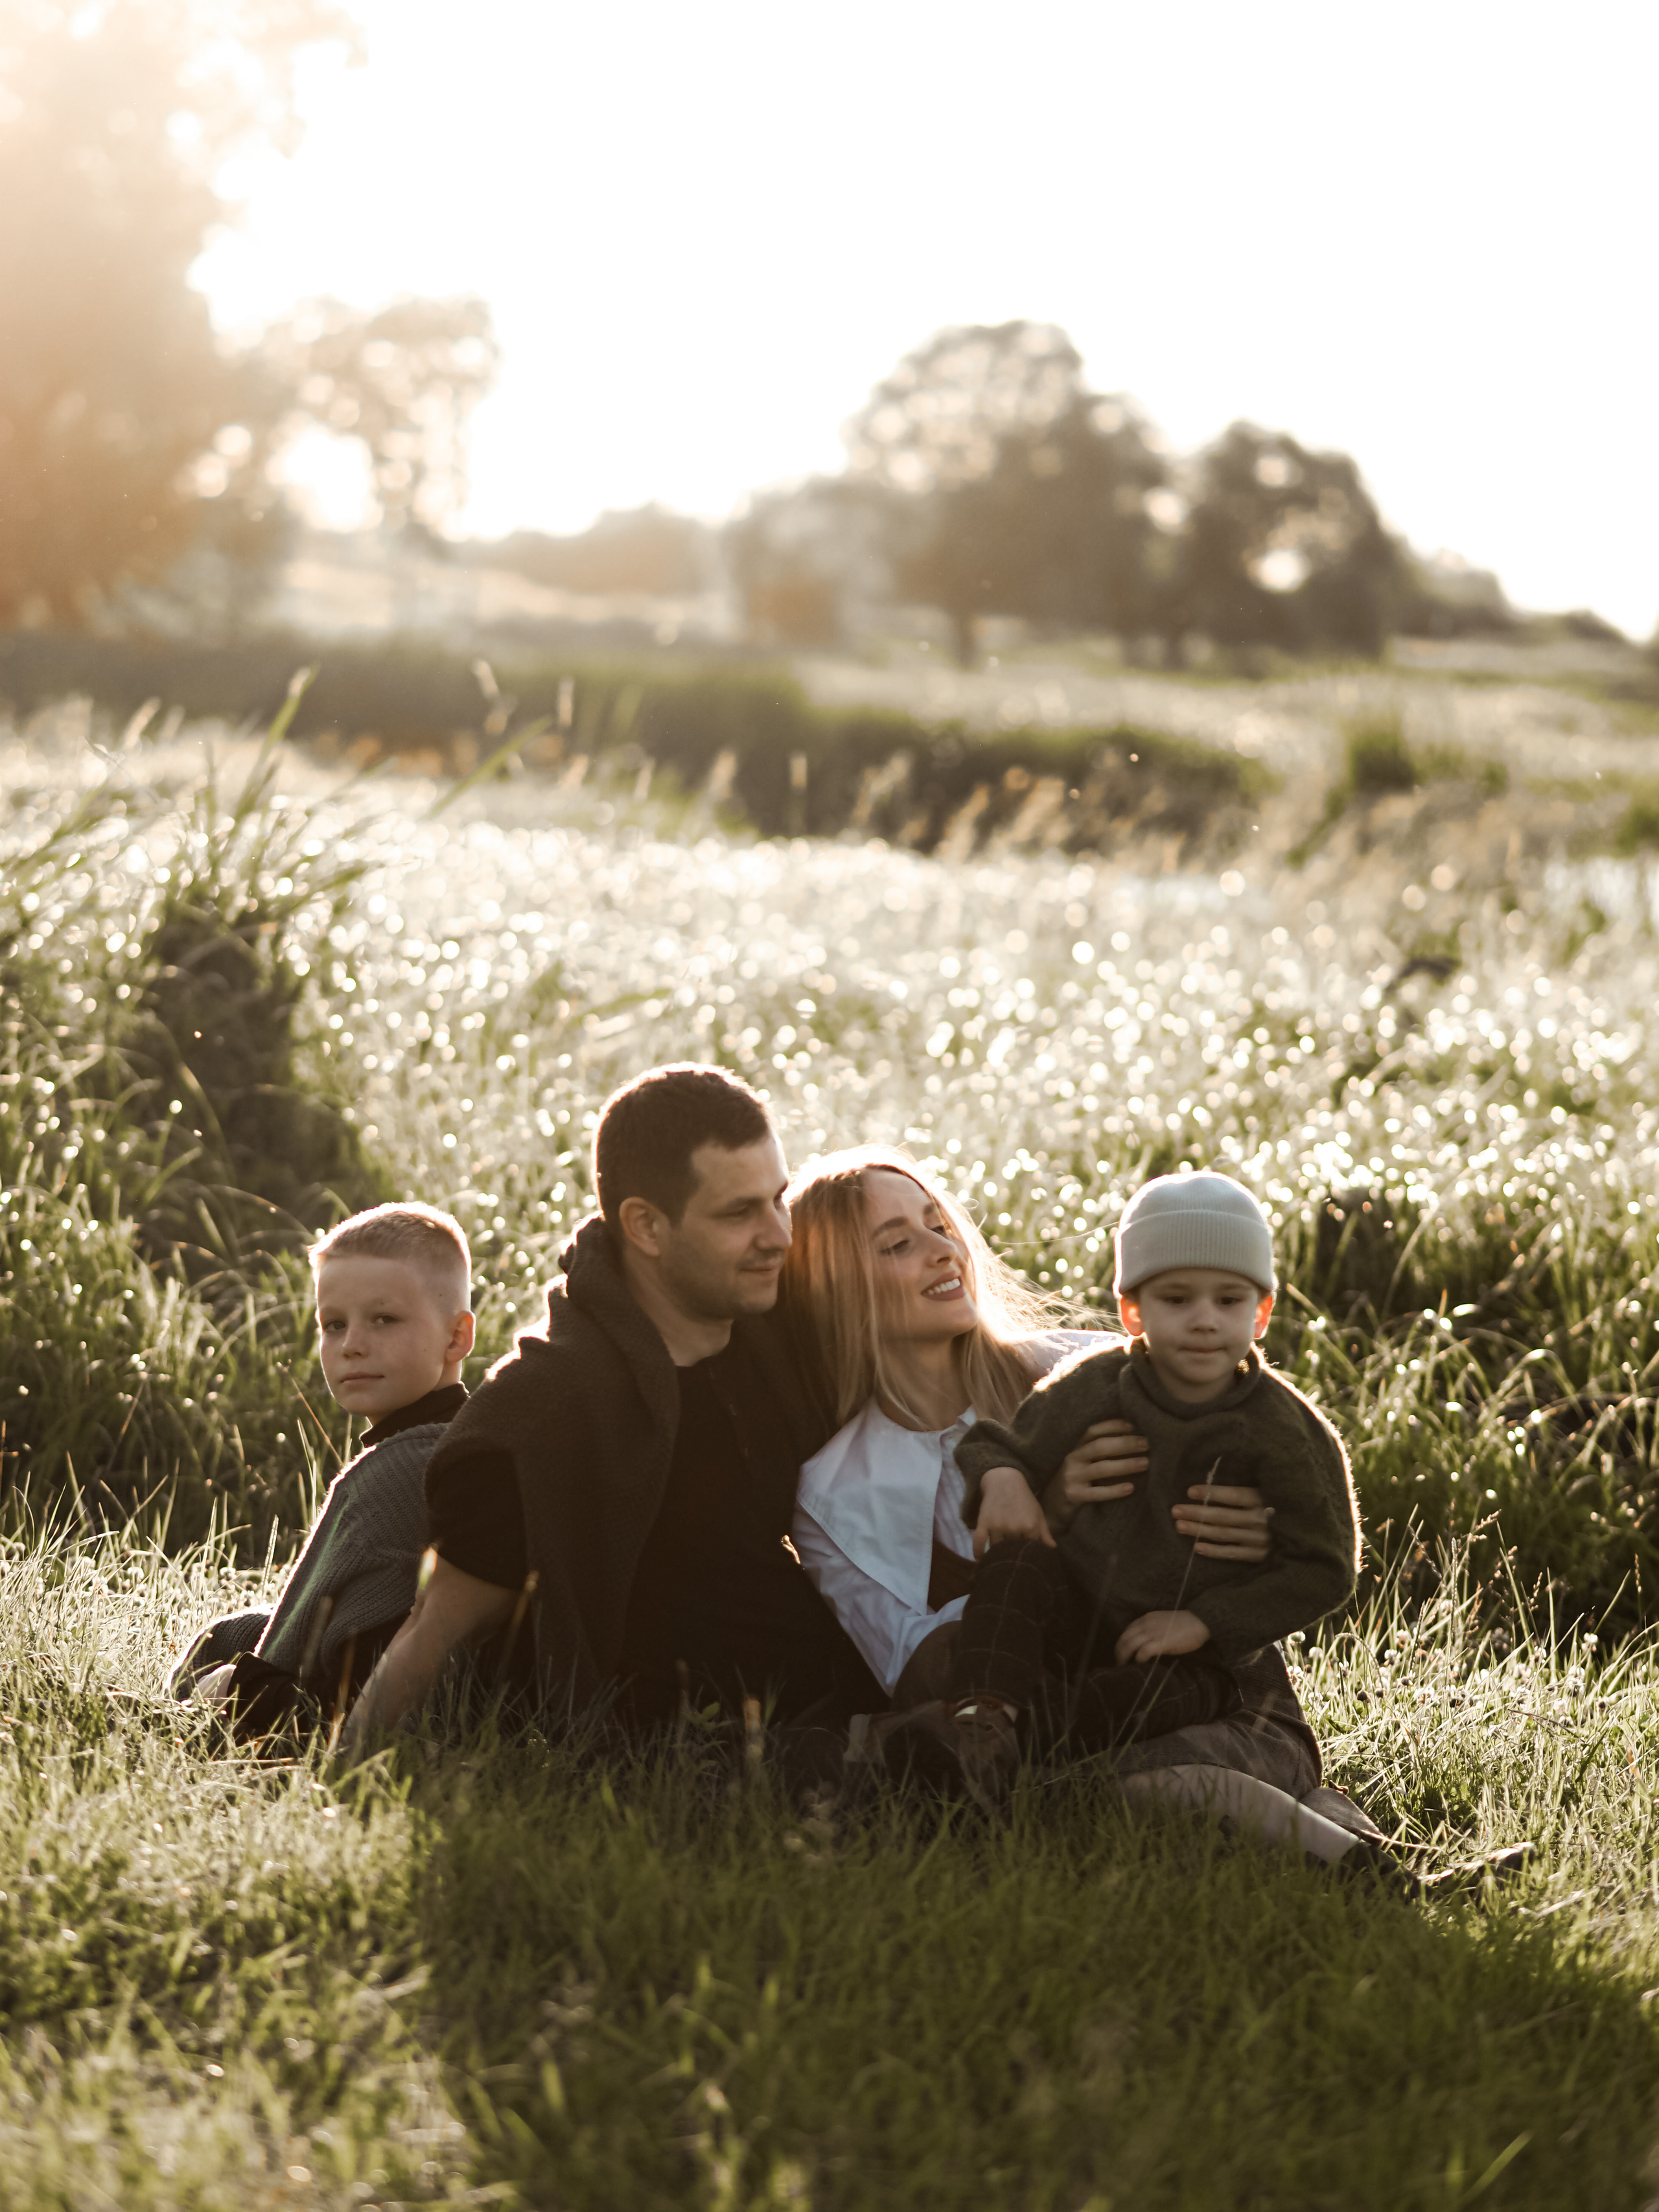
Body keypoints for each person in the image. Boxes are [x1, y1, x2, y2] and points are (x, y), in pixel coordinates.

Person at [785, 1147, 1389, 1865]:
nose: (942, 1249)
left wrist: (1259, 1531)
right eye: (898, 1243)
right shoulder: (835, 1493)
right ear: (834, 1286)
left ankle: (1303, 1817)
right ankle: (1321, 1830)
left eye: (939, 1223)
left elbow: (1291, 1532)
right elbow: (923, 1672)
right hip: (1051, 1715)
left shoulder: (1095, 1372)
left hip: (1205, 1689)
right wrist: (1055, 1510)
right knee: (1062, 1783)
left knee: (1082, 1789)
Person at [339, 1065, 877, 1756]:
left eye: (779, 1199)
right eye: (739, 1213)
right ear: (646, 1227)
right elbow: (432, 1639)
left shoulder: (780, 1331)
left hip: (843, 1679)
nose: (778, 1235)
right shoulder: (538, 1426)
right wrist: (340, 1787)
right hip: (686, 1751)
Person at [927, 1170, 1360, 1803]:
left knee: (1162, 1695)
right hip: (1074, 1614)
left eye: (1229, 1300)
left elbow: (1325, 1566)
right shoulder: (1098, 1383)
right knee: (1016, 1560)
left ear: (1261, 1311)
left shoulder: (1281, 1427)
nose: (1205, 1320)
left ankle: (1026, 1745)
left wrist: (1203, 1621)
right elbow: (998, 1442)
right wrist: (1004, 1478)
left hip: (1185, 1650)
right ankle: (982, 1715)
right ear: (1132, 1309)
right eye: (1177, 1299)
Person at [172, 1203, 474, 1738]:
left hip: (382, 1713)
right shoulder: (451, 1438)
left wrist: (226, 1691)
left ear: (456, 1337)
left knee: (216, 1677)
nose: (352, 1343)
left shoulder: (403, 1471)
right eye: (333, 1324)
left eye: (385, 1318)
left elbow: (337, 1672)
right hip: (394, 1683)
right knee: (231, 1632)